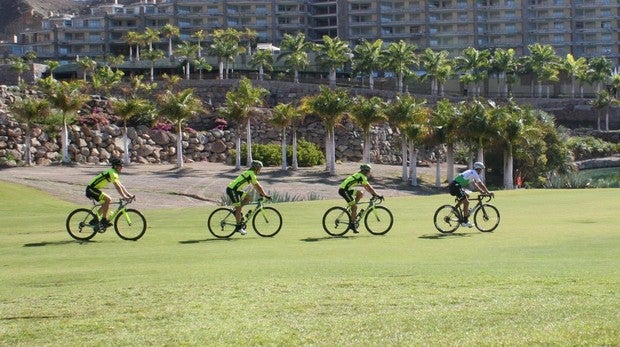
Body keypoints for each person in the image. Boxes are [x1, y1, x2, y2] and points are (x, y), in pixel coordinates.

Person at [85, 158, 135, 228]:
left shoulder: (114, 173)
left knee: (106, 203)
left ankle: (95, 220)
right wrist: (124, 196)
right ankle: (104, 220)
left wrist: (129, 195)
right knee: (108, 199)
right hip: (91, 189)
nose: (122, 167)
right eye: (120, 166)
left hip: (94, 189)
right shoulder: (112, 172)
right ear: (115, 166)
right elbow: (117, 187)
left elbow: (121, 186)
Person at [226, 160, 271, 235]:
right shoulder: (251, 174)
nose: (260, 170)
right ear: (256, 168)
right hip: (232, 190)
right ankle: (239, 227)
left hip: (235, 190)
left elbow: (255, 186)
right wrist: (265, 195)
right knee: (239, 207)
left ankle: (236, 211)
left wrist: (261, 193)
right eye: (260, 168)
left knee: (249, 198)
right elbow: (258, 186)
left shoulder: (250, 173)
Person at [338, 164, 382, 233]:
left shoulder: (359, 175)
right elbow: (369, 187)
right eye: (369, 171)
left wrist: (373, 194)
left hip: (345, 190)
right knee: (355, 207)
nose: (369, 173)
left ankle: (353, 209)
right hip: (343, 191)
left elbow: (366, 188)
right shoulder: (362, 176)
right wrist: (377, 195)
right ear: (366, 171)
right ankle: (352, 225)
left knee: (360, 193)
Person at [449, 161, 494, 228]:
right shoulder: (474, 173)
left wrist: (481, 191)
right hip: (456, 186)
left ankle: (455, 210)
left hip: (456, 186)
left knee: (467, 196)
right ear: (478, 169)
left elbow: (475, 184)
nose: (481, 171)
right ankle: (465, 221)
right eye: (481, 169)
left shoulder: (471, 172)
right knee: (466, 202)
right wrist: (488, 192)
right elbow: (480, 184)